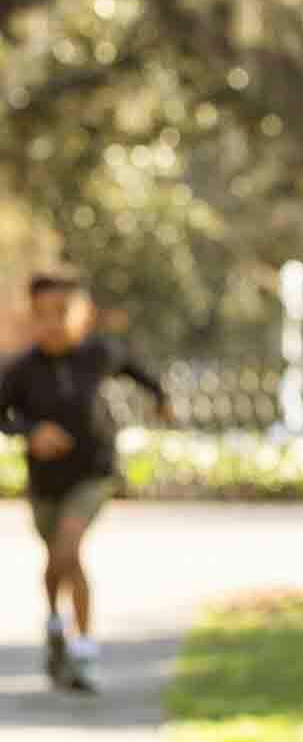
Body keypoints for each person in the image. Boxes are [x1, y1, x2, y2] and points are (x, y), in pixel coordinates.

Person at [0, 273, 172, 692]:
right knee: (63, 562)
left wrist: (161, 397)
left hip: (93, 472)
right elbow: (3, 415)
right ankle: (57, 627)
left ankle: (85, 649)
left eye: (62, 313)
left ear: (84, 315)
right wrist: (31, 431)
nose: (53, 323)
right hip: (45, 482)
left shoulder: (98, 354)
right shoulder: (20, 370)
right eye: (43, 314)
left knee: (68, 546)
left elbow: (135, 367)